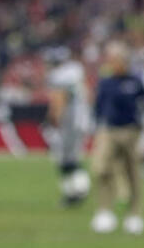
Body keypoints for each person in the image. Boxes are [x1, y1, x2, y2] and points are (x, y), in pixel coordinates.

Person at [89, 41, 144, 235]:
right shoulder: (106, 82)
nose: (111, 63)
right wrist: (95, 126)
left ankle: (135, 214)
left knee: (132, 173)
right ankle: (105, 211)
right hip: (109, 130)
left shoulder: (136, 82)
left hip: (132, 131)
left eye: (115, 59)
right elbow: (98, 106)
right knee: (101, 168)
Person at [45, 45, 92, 207]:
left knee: (64, 157)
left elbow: (59, 99)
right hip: (82, 117)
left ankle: (77, 189)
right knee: (71, 156)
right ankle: (74, 190)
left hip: (70, 119)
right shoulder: (76, 70)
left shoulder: (60, 75)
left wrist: (54, 119)